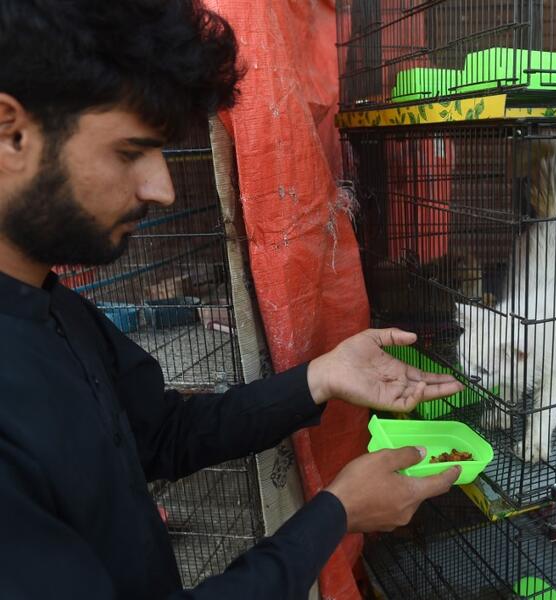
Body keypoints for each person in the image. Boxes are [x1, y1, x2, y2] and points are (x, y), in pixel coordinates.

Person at [0, 1, 464, 598]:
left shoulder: (50, 305)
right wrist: (335, 515)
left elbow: (162, 434)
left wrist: (320, 377)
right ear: (11, 131)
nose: (161, 188)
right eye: (129, 151)